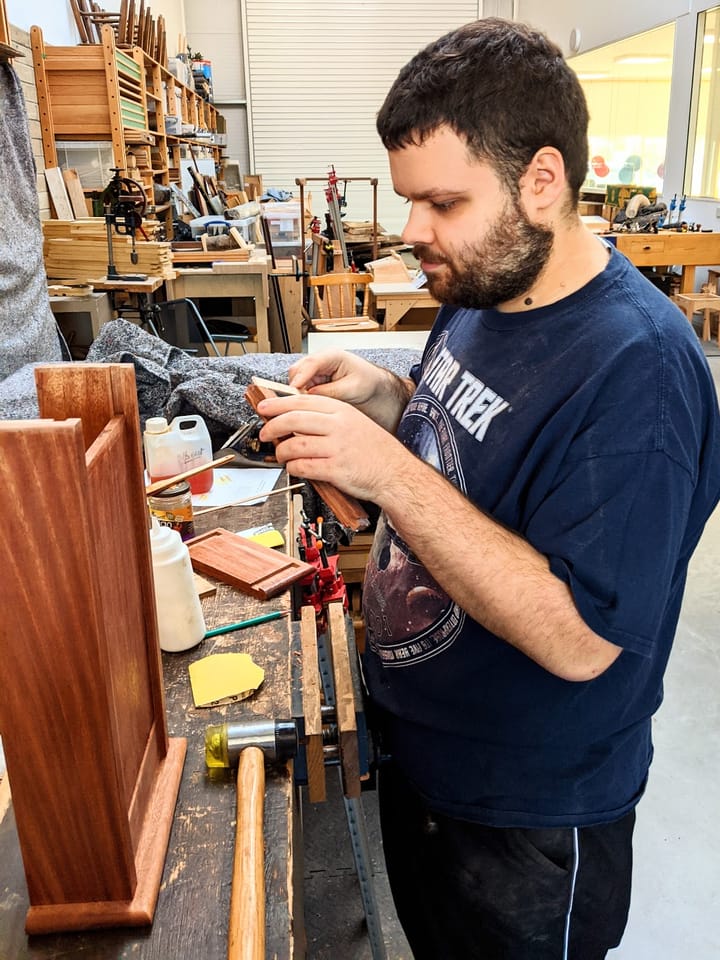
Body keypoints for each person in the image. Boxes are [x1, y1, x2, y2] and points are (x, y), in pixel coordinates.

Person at [258, 18, 720, 960]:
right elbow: (465, 443)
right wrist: (385, 400)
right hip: (429, 768)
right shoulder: (485, 288)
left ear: (541, 181)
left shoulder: (642, 374)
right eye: (408, 200)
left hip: (527, 826)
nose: (411, 230)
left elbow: (582, 637)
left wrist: (380, 469)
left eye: (442, 202)